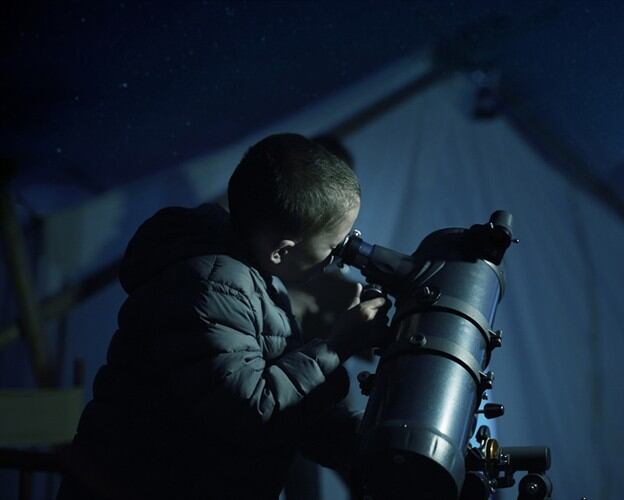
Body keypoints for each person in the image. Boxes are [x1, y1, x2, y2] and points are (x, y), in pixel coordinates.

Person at [58, 133, 388, 500]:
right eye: (333, 246)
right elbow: (252, 412)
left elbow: (293, 412)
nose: (340, 257)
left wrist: (376, 444)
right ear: (281, 251)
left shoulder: (259, 278)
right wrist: (337, 345)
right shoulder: (208, 285)